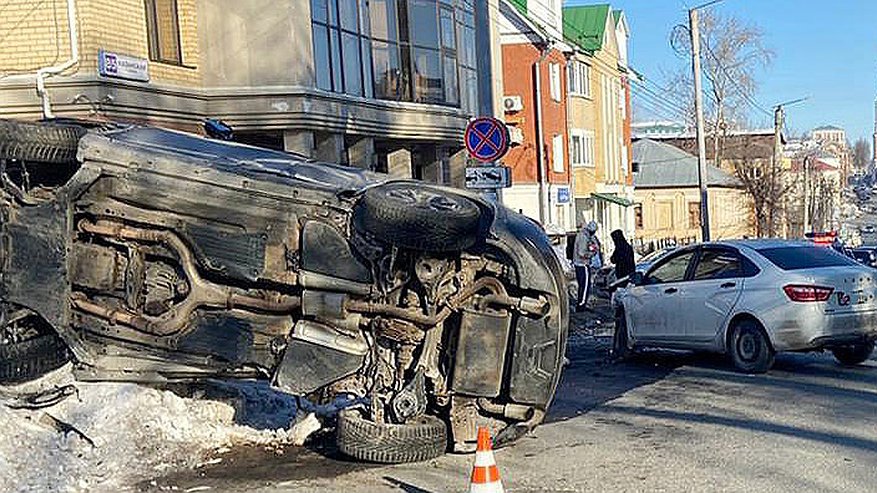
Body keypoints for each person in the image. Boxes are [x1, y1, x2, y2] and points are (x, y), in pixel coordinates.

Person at [573, 221, 600, 311]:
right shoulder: (584, 237)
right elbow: (582, 253)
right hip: (583, 264)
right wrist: (592, 253)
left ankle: (581, 303)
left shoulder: (584, 235)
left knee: (582, 285)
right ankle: (581, 305)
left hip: (579, 263)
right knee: (585, 286)